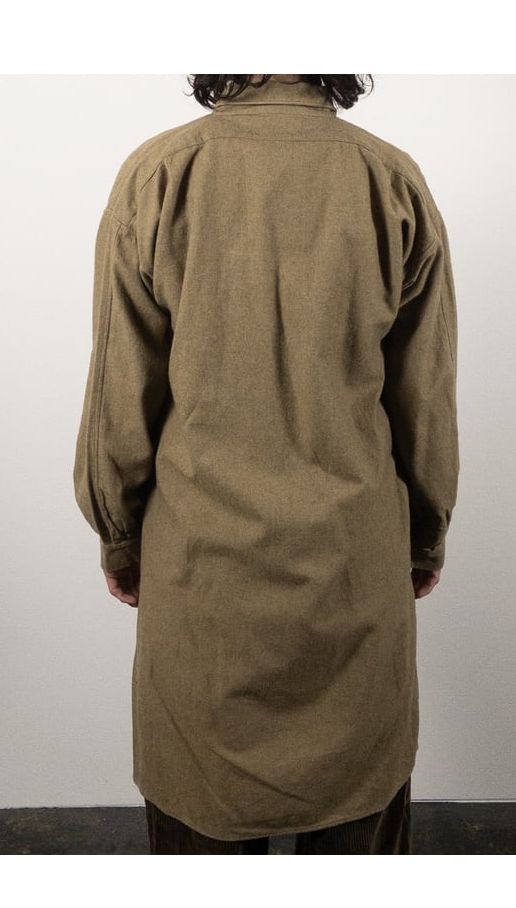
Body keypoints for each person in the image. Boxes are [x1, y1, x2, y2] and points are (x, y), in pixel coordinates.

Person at [73, 75, 459, 854]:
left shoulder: (160, 175)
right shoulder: (390, 181)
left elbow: (121, 394)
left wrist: (118, 536)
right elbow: (425, 398)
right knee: (357, 828)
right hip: (352, 576)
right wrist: (423, 538)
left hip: (204, 579)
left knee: (201, 829)